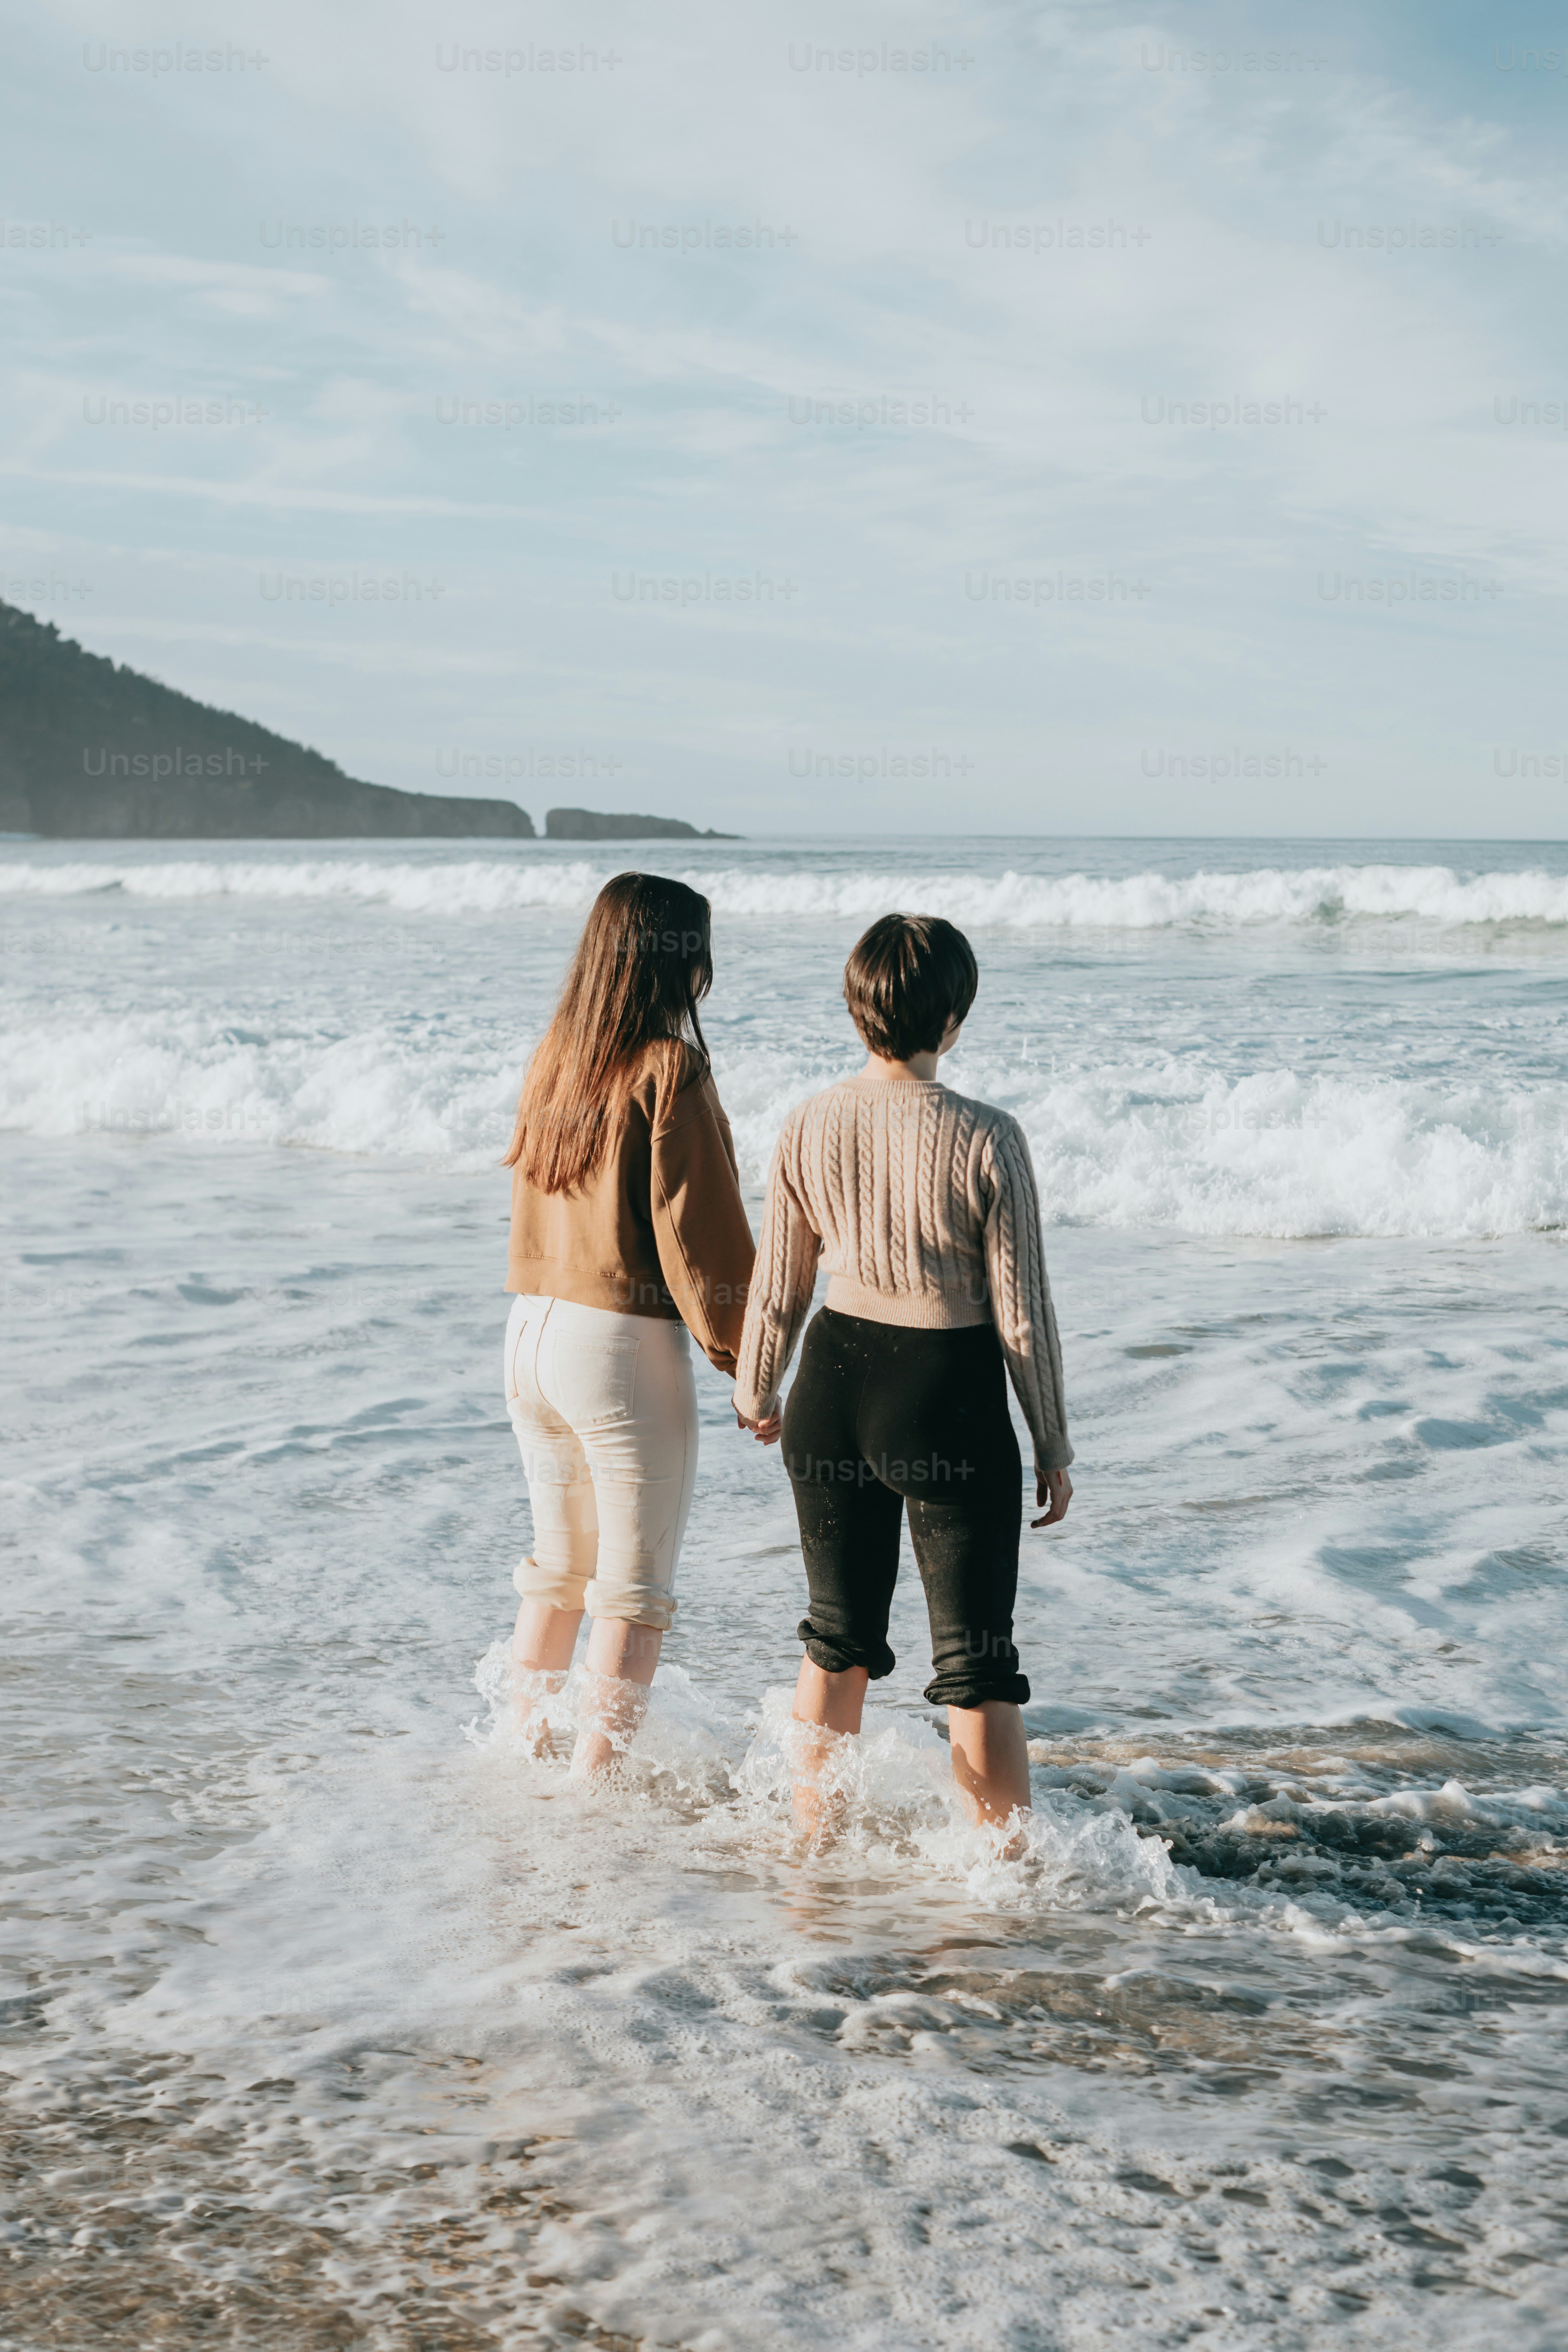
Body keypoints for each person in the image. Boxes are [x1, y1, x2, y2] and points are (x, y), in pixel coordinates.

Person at [732, 912, 1072, 1839]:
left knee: (834, 1640)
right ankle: (999, 1887)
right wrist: (1051, 1440)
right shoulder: (987, 1136)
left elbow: (778, 1284)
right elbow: (1022, 1312)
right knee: (976, 1661)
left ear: (855, 1012)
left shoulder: (807, 1122)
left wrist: (754, 1390)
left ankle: (812, 1853)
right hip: (946, 1402)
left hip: (830, 1395)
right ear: (954, 1018)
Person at [502, 873, 756, 1776]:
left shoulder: (555, 1057)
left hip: (528, 1335)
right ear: (678, 958)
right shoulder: (670, 1066)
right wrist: (746, 1361)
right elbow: (699, 1235)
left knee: (558, 1572)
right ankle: (590, 1797)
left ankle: (519, 1757)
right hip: (616, 1347)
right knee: (632, 1592)